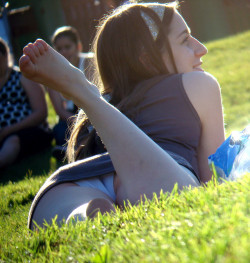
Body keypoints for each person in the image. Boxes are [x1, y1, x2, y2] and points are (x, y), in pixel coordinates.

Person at [19, 2, 225, 229]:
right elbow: (214, 179)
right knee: (183, 191)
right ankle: (84, 92)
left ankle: (82, 217)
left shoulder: (100, 110)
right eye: (185, 40)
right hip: (157, 174)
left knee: (76, 216)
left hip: (68, 186)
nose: (201, 48)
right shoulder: (198, 84)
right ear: (146, 58)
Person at [0, 38, 53, 169]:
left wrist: (8, 131)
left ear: (5, 56)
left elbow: (41, 113)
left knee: (12, 141)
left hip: (28, 131)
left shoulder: (22, 77)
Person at [48, 26, 94, 161]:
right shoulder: (51, 73)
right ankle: (76, 149)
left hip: (91, 111)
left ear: (78, 46)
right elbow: (59, 110)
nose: (64, 52)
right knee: (60, 130)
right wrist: (78, 122)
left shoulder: (89, 62)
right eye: (59, 49)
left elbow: (96, 94)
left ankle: (77, 150)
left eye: (67, 47)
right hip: (70, 117)